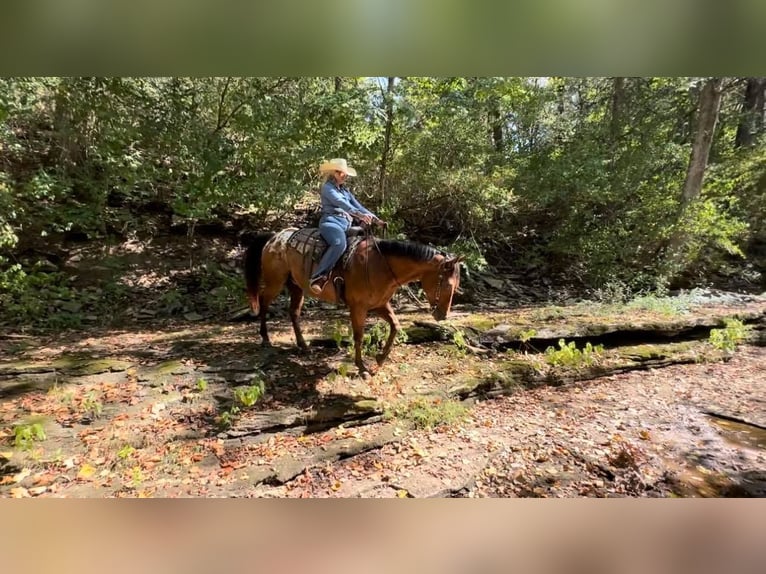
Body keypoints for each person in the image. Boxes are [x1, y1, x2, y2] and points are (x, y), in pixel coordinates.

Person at [309, 158, 385, 294]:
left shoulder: (345, 191)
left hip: (347, 224)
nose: (344, 175)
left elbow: (358, 206)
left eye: (344, 173)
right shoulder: (327, 188)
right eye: (340, 172)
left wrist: (376, 220)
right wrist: (359, 215)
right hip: (331, 222)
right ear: (334, 173)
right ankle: (318, 277)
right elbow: (342, 204)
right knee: (339, 244)